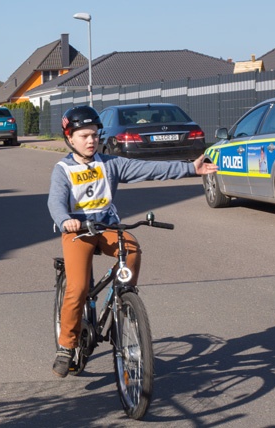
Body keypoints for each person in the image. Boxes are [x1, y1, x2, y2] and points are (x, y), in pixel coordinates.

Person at [47, 105, 217, 378]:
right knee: (78, 287)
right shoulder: (63, 169)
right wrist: (65, 218)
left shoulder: (110, 163)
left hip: (106, 227)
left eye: (94, 135)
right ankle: (66, 346)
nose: (91, 140)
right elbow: (55, 200)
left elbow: (149, 169)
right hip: (77, 231)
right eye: (84, 136)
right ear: (70, 139)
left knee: (133, 248)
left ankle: (123, 303)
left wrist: (190, 169)